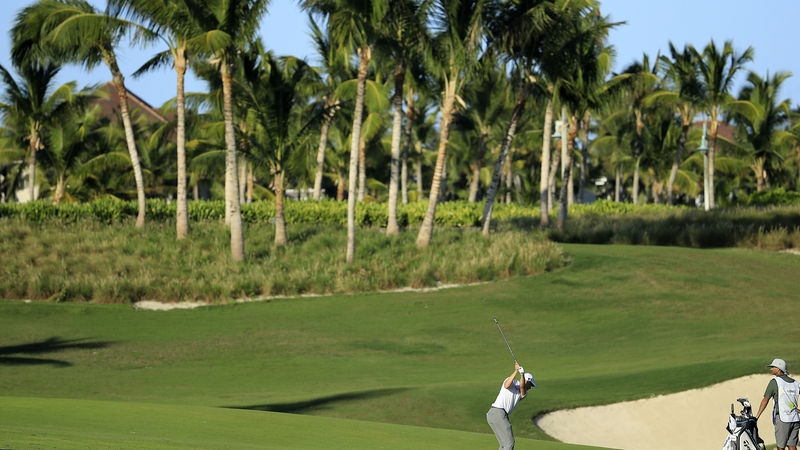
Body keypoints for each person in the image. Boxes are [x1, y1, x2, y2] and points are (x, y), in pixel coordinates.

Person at [486, 362, 536, 450]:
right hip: (498, 413)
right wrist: (516, 371)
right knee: (509, 443)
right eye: (530, 384)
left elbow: (522, 388)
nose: (530, 387)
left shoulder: (523, 393)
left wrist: (522, 374)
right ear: (527, 381)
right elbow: (506, 385)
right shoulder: (511, 381)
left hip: (494, 414)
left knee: (504, 445)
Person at [755, 358, 800, 450]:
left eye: (773, 367)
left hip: (783, 419)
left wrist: (757, 417)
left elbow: (765, 400)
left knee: (780, 447)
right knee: (792, 446)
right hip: (795, 418)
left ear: (779, 369)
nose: (771, 369)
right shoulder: (796, 383)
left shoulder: (775, 382)